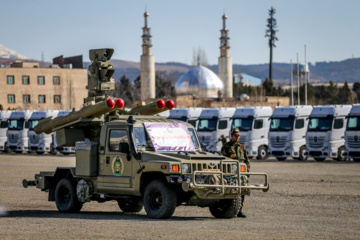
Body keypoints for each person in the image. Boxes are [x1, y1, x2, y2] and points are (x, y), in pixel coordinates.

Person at [220, 128, 250, 218]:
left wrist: (247, 171)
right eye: (236, 136)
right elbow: (222, 160)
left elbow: (246, 159)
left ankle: (240, 210)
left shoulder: (241, 146)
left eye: (238, 136)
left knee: (243, 190)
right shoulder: (226, 147)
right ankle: (229, 208)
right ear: (231, 136)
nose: (237, 137)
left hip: (241, 172)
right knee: (231, 190)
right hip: (231, 173)